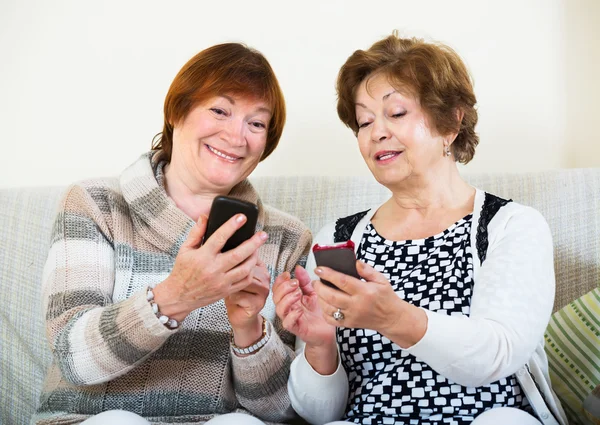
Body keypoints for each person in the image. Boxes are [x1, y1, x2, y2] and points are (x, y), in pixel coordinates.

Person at [273, 34, 568, 425]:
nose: (376, 132)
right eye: (364, 121)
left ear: (451, 122)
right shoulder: (337, 239)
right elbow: (318, 413)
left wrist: (393, 317)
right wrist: (321, 343)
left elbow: (498, 353)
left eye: (396, 113)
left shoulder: (510, 226)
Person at [34, 43, 311, 425]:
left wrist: (249, 331)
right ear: (177, 111)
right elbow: (73, 358)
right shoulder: (94, 204)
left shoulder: (284, 238)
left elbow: (281, 411)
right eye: (220, 110)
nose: (236, 136)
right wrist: (175, 296)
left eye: (257, 123)